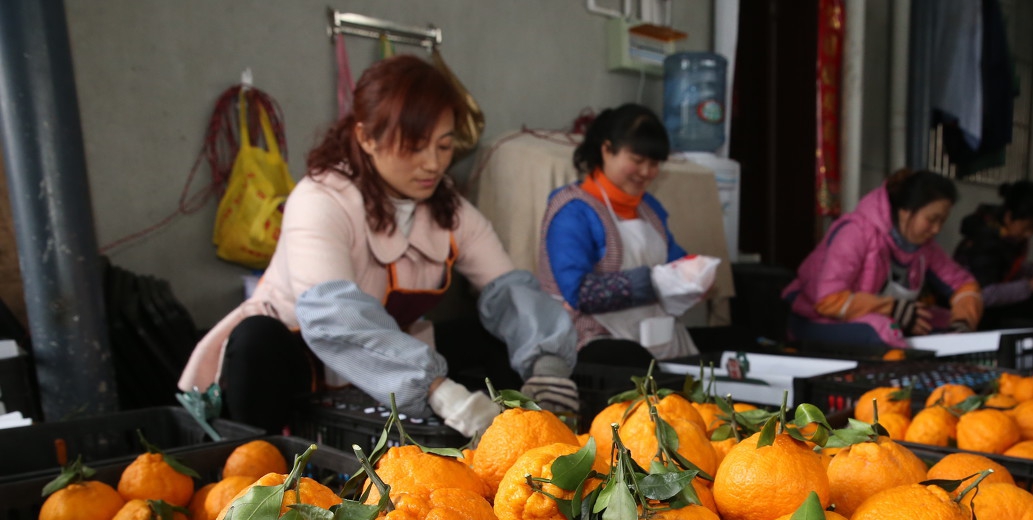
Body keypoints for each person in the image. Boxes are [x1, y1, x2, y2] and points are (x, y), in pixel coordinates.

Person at [180, 55, 578, 436]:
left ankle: (510, 437)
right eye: (414, 145)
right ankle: (269, 468)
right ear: (366, 138)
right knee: (256, 341)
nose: (433, 164)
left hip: (394, 357)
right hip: (299, 359)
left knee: (495, 335)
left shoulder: (449, 207)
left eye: (443, 146)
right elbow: (334, 317)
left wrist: (548, 365)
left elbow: (509, 289)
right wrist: (442, 393)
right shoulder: (321, 199)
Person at [536, 104, 700, 363]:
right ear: (606, 149)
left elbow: (675, 261)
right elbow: (579, 293)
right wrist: (654, 281)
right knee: (631, 361)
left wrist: (696, 272)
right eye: (637, 160)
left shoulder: (650, 209)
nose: (646, 172)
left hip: (657, 336)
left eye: (654, 163)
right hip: (594, 339)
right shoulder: (573, 211)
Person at [783, 169, 983, 348]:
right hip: (814, 320)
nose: (937, 229)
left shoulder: (925, 249)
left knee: (946, 327)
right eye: (931, 220)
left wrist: (963, 322)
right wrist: (892, 309)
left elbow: (964, 285)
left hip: (883, 322)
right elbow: (828, 299)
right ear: (905, 212)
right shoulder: (856, 232)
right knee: (884, 331)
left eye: (942, 221)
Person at [952, 180, 1033, 327]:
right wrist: (1029, 286)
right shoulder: (986, 241)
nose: (1029, 234)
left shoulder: (1006, 238)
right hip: (968, 310)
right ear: (1009, 217)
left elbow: (1008, 265)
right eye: (1026, 228)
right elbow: (984, 294)